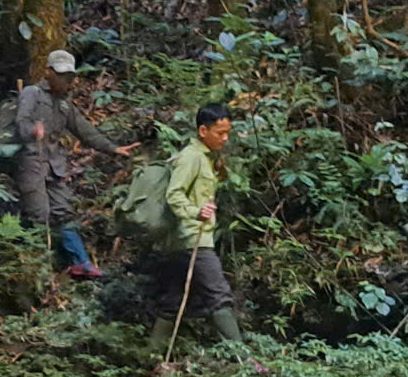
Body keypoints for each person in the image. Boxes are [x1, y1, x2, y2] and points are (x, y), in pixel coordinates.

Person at [15, 49, 134, 278]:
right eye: (61, 75)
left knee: (64, 212)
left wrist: (112, 148)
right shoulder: (32, 93)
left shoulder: (65, 103)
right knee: (39, 214)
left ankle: (81, 263)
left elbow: (84, 130)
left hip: (54, 165)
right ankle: (37, 272)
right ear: (48, 72)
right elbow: (21, 123)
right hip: (31, 163)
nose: (66, 81)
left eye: (70, 76)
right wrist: (33, 130)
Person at [160, 103, 249, 349]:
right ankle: (245, 360)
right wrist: (195, 212)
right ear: (202, 131)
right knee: (219, 296)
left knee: (173, 302)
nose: (225, 138)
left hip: (185, 241)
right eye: (220, 133)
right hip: (193, 241)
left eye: (227, 132)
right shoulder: (191, 157)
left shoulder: (206, 157)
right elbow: (174, 194)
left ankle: (150, 355)